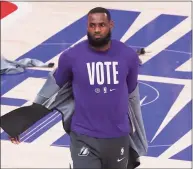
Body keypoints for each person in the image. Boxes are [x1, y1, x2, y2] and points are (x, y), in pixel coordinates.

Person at [9, 7, 141, 169]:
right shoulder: (71, 56)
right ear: (87, 26)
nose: (97, 30)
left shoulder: (128, 56)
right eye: (92, 25)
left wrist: (137, 133)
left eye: (102, 25)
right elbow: (50, 91)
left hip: (118, 136)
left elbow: (132, 95)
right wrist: (22, 122)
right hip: (83, 136)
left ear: (111, 25)